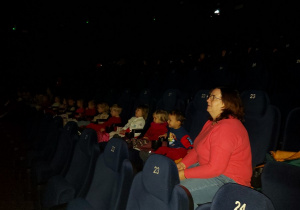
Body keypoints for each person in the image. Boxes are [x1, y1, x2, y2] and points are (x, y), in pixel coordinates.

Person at [177, 87, 252, 209]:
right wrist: (183, 164)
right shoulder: (211, 123)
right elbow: (197, 149)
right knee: (169, 182)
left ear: (226, 103)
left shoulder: (227, 128)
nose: (208, 100)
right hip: (210, 171)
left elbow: (215, 168)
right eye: (209, 96)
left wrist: (184, 174)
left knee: (178, 192)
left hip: (229, 181)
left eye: (213, 97)